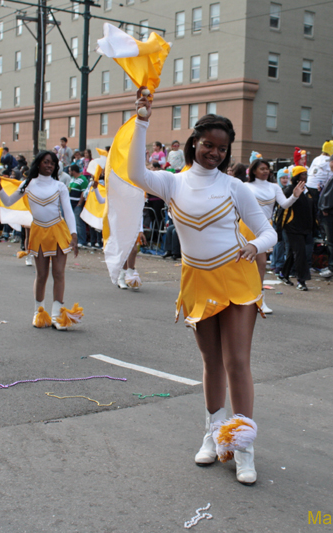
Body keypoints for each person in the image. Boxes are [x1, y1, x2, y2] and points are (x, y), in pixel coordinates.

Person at [131, 90, 276, 485]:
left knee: (237, 362)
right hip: (197, 280)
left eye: (221, 148)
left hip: (236, 279)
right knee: (211, 362)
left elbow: (269, 232)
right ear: (194, 141)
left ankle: (242, 446)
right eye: (208, 144)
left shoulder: (234, 187)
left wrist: (254, 246)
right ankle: (213, 434)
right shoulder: (172, 183)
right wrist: (142, 120)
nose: (214, 153)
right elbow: (135, 172)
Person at [0, 151, 82, 330]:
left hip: (58, 231)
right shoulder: (28, 184)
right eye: (46, 162)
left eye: (52, 163)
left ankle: (57, 316)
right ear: (38, 163)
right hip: (38, 232)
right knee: (41, 275)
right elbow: (8, 201)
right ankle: (39, 312)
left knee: (58, 273)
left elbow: (68, 211)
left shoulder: (60, 186)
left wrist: (74, 234)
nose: (49, 165)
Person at [244, 158, 305, 313]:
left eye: (267, 168)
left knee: (261, 264)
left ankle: (259, 300)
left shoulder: (274, 187)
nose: (266, 171)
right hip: (246, 227)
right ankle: (242, 297)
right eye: (262, 168)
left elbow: (284, 204)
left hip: (264, 228)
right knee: (243, 264)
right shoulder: (245, 186)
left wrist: (295, 196)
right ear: (253, 170)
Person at [279, 167, 317, 291]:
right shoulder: (289, 190)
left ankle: (284, 274)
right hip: (293, 227)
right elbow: (282, 209)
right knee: (301, 253)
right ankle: (301, 281)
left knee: (293, 252)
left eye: (306, 174)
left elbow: (313, 209)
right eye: (303, 174)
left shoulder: (309, 191)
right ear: (297, 176)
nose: (306, 176)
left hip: (306, 227)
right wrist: (281, 226)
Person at [67, 164, 89, 248]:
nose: (69, 172)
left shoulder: (83, 179)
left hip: (77, 204)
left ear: (73, 171)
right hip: (71, 204)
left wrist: (79, 203)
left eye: (70, 170)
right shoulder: (72, 179)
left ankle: (81, 240)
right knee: (73, 223)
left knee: (79, 223)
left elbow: (84, 192)